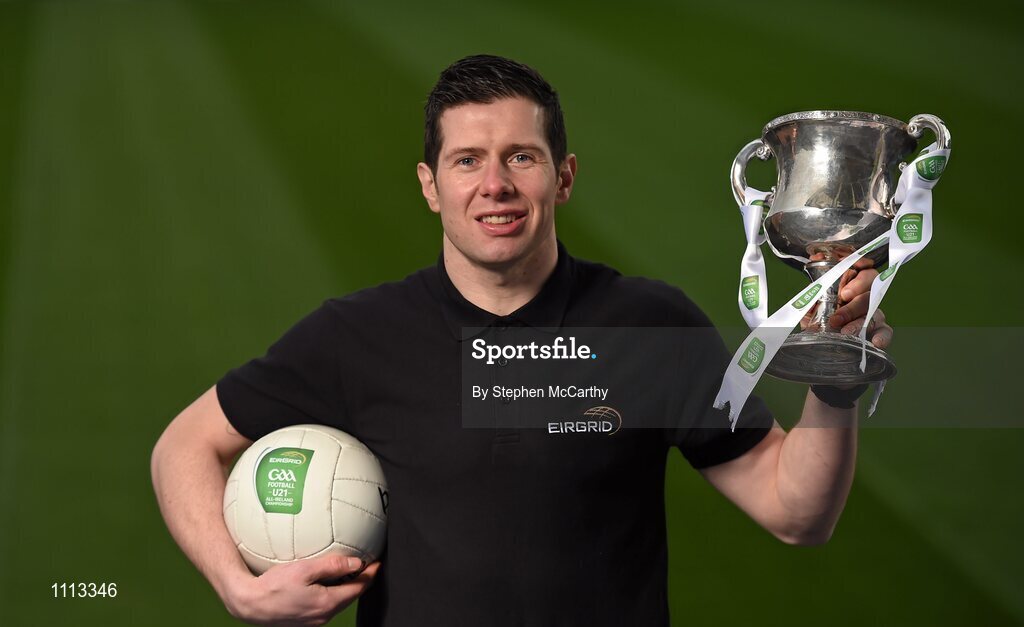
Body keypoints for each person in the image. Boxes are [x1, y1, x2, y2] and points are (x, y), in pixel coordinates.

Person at [151, 55, 892, 627]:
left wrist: (835, 378)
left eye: (521, 156)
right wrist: (239, 587)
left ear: (563, 176)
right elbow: (183, 445)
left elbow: (797, 512)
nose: (494, 183)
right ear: (429, 185)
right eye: (466, 160)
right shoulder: (357, 335)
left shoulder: (646, 325)